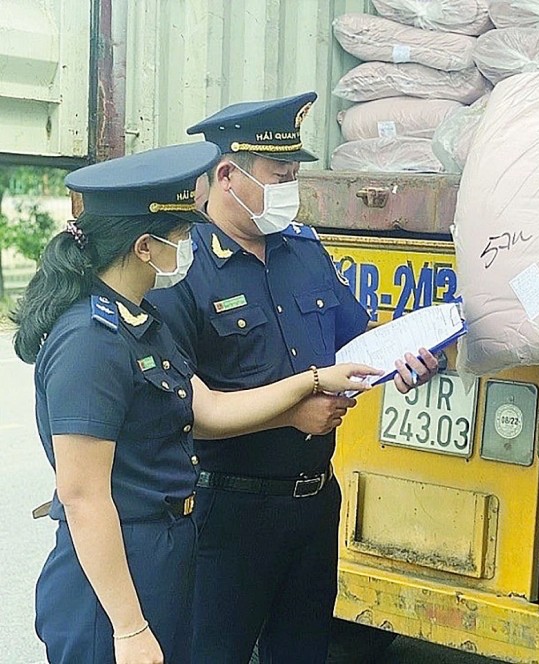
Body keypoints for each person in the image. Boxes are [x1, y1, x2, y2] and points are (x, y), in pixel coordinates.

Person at [12, 142, 379, 664]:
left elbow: (205, 410)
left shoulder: (143, 323)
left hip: (164, 552)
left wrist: (312, 382)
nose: (191, 246)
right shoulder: (91, 340)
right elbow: (82, 496)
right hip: (115, 570)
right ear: (145, 247)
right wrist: (129, 628)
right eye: (183, 235)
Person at [148, 93, 439, 663]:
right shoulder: (182, 269)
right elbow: (180, 412)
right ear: (227, 176)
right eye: (279, 177)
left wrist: (408, 358)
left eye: (295, 176)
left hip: (313, 504)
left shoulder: (304, 250)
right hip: (226, 513)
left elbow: (356, 339)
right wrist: (292, 412)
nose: (291, 189)